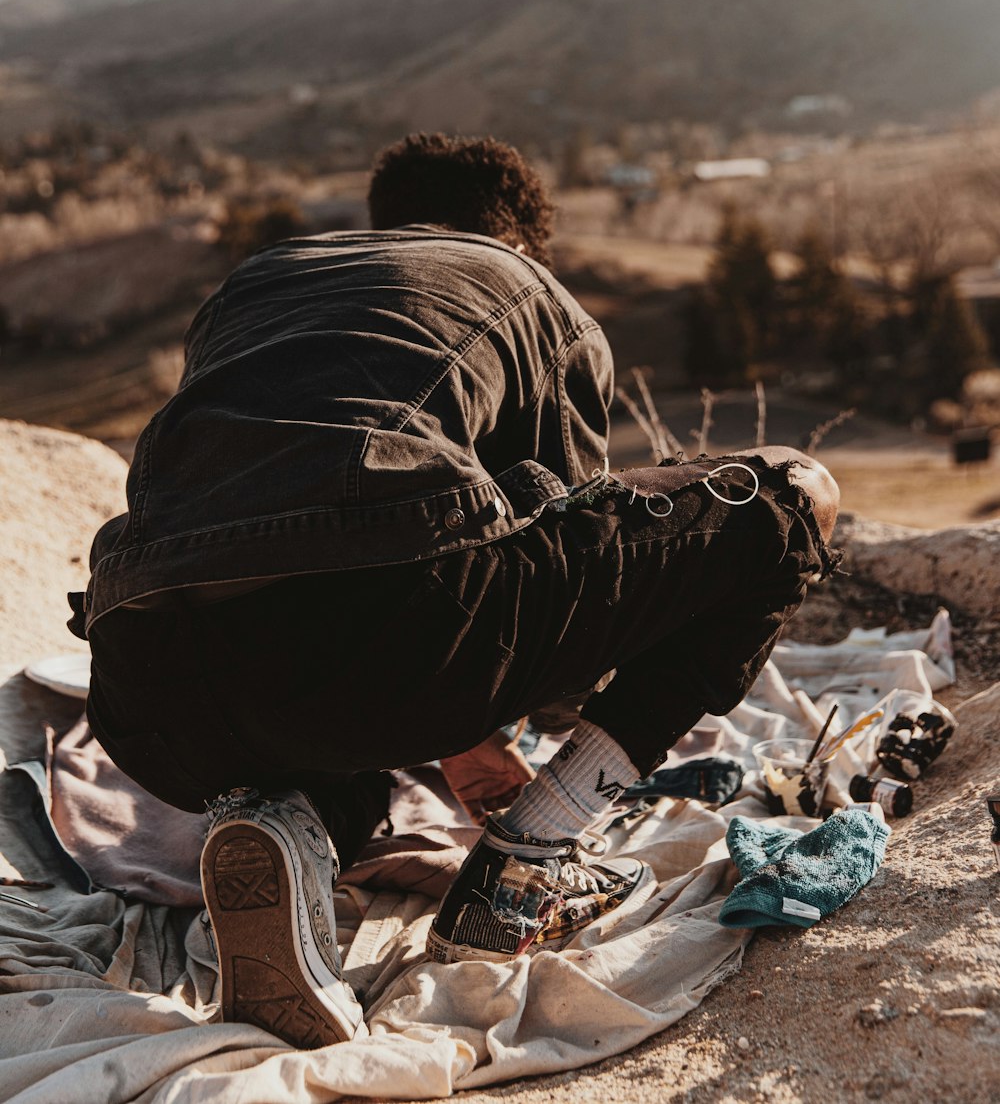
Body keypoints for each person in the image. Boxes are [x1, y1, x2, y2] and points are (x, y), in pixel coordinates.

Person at [73, 132, 840, 1051]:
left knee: (328, 675)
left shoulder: (259, 284)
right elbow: (564, 589)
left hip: (149, 701)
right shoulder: (528, 293)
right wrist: (506, 728)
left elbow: (278, 547)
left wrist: (461, 741)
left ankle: (290, 830)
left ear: (384, 224)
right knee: (794, 491)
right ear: (524, 238)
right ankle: (527, 865)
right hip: (395, 642)